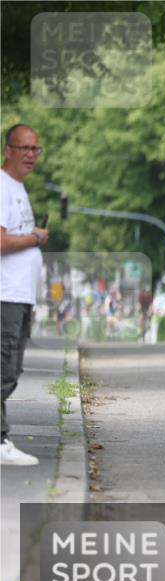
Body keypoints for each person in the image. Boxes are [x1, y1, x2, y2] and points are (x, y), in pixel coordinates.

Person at [1, 124, 47, 466]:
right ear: (7, 150)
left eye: (35, 149)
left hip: (20, 295)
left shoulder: (17, 189)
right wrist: (34, 238)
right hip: (5, 295)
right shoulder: (2, 188)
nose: (30, 154)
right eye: (24, 148)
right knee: (3, 369)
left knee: (11, 369)